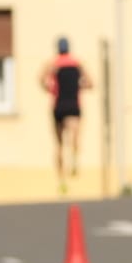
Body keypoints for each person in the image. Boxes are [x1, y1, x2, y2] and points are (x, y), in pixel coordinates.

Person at [40, 38, 93, 193]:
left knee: (59, 144)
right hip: (73, 104)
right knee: (75, 135)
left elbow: (41, 79)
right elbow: (90, 83)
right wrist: (80, 86)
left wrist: (50, 89)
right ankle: (75, 159)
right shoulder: (78, 63)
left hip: (58, 105)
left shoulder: (53, 64)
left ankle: (61, 180)